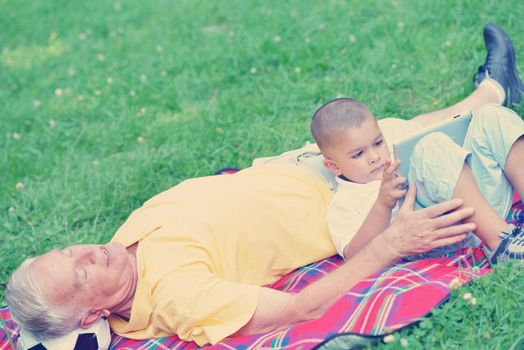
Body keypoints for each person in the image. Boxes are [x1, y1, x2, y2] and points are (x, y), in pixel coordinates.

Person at [1, 24, 516, 346]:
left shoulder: (119, 249)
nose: (90, 254)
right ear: (94, 312)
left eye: (71, 251)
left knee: (400, 127)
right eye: (82, 274)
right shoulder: (178, 297)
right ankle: (491, 96)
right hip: (340, 197)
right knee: (428, 143)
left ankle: (489, 94)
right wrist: (390, 245)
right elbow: (298, 309)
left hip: (290, 166)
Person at [309, 24, 524, 262]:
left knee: (490, 114)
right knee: (430, 147)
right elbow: (354, 256)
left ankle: (503, 231)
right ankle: (501, 246)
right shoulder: (344, 203)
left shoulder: (398, 155)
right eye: (358, 154)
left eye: (378, 142)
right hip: (439, 236)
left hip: (481, 208)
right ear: (334, 167)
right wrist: (383, 204)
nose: (375, 156)